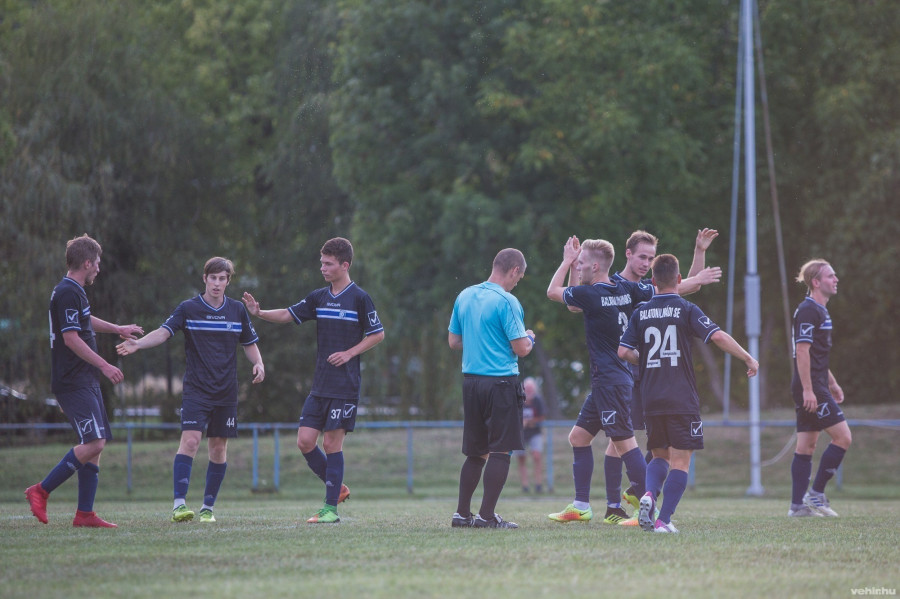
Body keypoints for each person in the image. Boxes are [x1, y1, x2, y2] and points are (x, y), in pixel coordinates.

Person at [241, 237, 384, 524]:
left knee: (332, 444)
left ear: (345, 265)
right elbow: (288, 314)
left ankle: (330, 510)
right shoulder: (319, 297)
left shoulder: (360, 298)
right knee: (305, 441)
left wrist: (349, 353)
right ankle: (338, 488)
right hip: (320, 384)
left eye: (328, 263)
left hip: (345, 385)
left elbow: (377, 334)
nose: (323, 268)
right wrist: (259, 313)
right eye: (322, 262)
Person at [117, 257, 265, 523]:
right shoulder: (189, 308)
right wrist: (138, 345)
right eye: (213, 278)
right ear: (205, 279)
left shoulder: (237, 310)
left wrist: (259, 363)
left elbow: (249, 343)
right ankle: (179, 504)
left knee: (218, 448)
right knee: (191, 441)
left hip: (226, 391)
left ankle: (208, 508)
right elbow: (163, 332)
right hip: (197, 390)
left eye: (222, 279)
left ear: (228, 281)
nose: (217, 283)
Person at [618, 253, 758, 533]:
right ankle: (664, 520)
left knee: (659, 456)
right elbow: (717, 336)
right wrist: (747, 358)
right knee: (681, 461)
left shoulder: (640, 312)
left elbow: (622, 351)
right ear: (679, 279)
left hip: (651, 397)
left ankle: (647, 495)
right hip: (681, 397)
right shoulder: (686, 308)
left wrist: (643, 361)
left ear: (653, 280)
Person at [25, 234, 143, 528]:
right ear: (87, 262)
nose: (99, 269)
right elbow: (71, 338)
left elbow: (84, 320)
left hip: (83, 379)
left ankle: (85, 514)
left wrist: (117, 328)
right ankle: (40, 490)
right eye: (97, 263)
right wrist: (104, 365)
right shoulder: (68, 291)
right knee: (94, 441)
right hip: (73, 380)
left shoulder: (74, 292)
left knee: (96, 444)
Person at [609, 228, 720, 520]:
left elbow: (683, 286)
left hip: (645, 377)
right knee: (622, 441)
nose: (646, 263)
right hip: (626, 375)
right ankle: (626, 501)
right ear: (628, 254)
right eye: (642, 257)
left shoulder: (649, 288)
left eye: (650, 258)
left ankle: (637, 497)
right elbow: (683, 287)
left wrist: (699, 251)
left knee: (647, 445)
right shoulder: (618, 286)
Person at [546, 237, 655, 526]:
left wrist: (566, 260)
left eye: (581, 264)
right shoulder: (623, 287)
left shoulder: (592, 295)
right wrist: (574, 264)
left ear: (594, 266)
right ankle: (581, 505)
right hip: (610, 381)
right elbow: (573, 301)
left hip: (611, 382)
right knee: (578, 437)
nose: (578, 267)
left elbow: (553, 291)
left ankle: (650, 507)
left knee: (625, 443)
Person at [448, 248, 534, 529]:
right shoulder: (507, 301)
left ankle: (462, 514)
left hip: (471, 383)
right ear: (513, 271)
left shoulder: (465, 295)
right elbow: (521, 349)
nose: (516, 283)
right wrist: (530, 338)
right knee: (501, 451)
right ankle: (486, 517)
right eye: (518, 278)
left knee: (476, 451)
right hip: (500, 383)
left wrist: (480, 339)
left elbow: (454, 341)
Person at [786, 259, 850, 517]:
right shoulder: (808, 310)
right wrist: (809, 390)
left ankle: (797, 506)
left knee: (806, 446)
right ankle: (816, 494)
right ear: (816, 282)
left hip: (817, 383)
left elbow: (817, 354)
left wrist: (832, 382)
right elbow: (802, 352)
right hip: (810, 386)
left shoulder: (821, 311)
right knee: (843, 437)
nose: (835, 280)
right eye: (830, 276)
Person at [515, 377, 546, 494]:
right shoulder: (518, 399)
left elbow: (542, 417)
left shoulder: (538, 400)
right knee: (521, 458)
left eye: (530, 389)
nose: (528, 391)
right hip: (521, 433)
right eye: (526, 389)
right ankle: (525, 485)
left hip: (534, 433)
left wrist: (529, 422)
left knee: (537, 456)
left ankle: (538, 484)